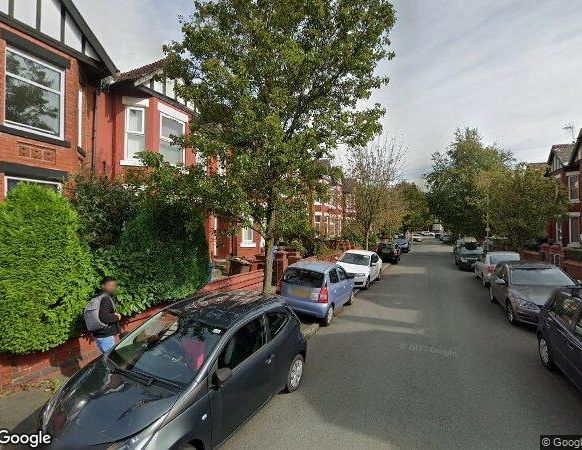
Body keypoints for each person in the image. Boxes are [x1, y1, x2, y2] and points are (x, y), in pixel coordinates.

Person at [93, 276, 122, 354]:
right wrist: (117, 317)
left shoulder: (97, 297)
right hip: (105, 335)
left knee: (108, 357)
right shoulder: (105, 298)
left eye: (113, 285)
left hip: (99, 334)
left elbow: (101, 313)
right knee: (111, 359)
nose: (112, 288)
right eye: (109, 285)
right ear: (103, 286)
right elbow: (104, 317)